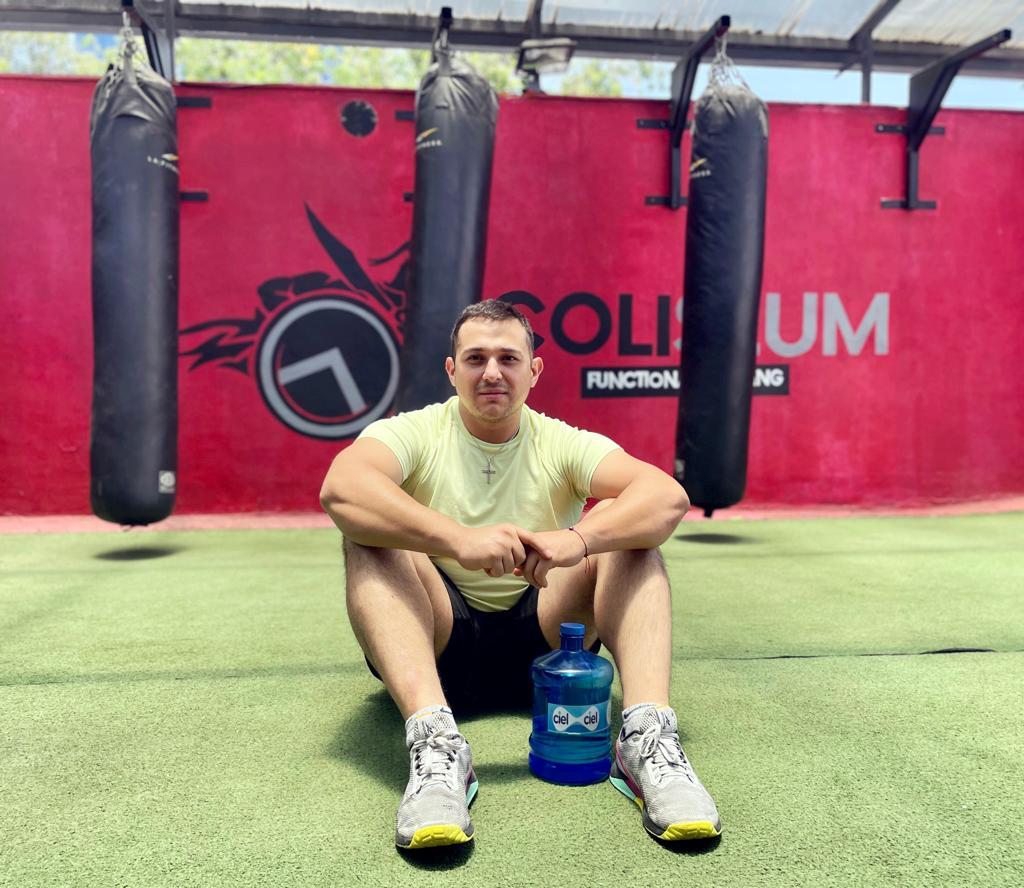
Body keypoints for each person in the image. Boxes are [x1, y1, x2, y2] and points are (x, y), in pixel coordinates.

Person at [320, 300, 720, 849]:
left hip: (553, 643)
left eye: (508, 358)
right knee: (367, 535)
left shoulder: (562, 442)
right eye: (475, 358)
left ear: (534, 371)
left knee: (629, 533)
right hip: (438, 643)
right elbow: (342, 489)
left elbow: (667, 497)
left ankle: (647, 739)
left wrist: (575, 540)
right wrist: (457, 540)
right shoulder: (411, 432)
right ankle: (434, 743)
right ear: (451, 370)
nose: (491, 372)